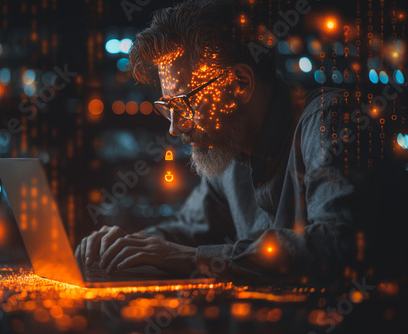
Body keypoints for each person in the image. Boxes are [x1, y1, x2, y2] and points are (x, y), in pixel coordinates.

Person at [75, 0, 407, 284]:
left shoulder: (329, 122)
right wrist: (120, 247)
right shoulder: (230, 150)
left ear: (240, 84)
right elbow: (185, 232)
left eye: (185, 104)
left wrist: (196, 260)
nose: (175, 128)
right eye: (168, 107)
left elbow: (340, 245)